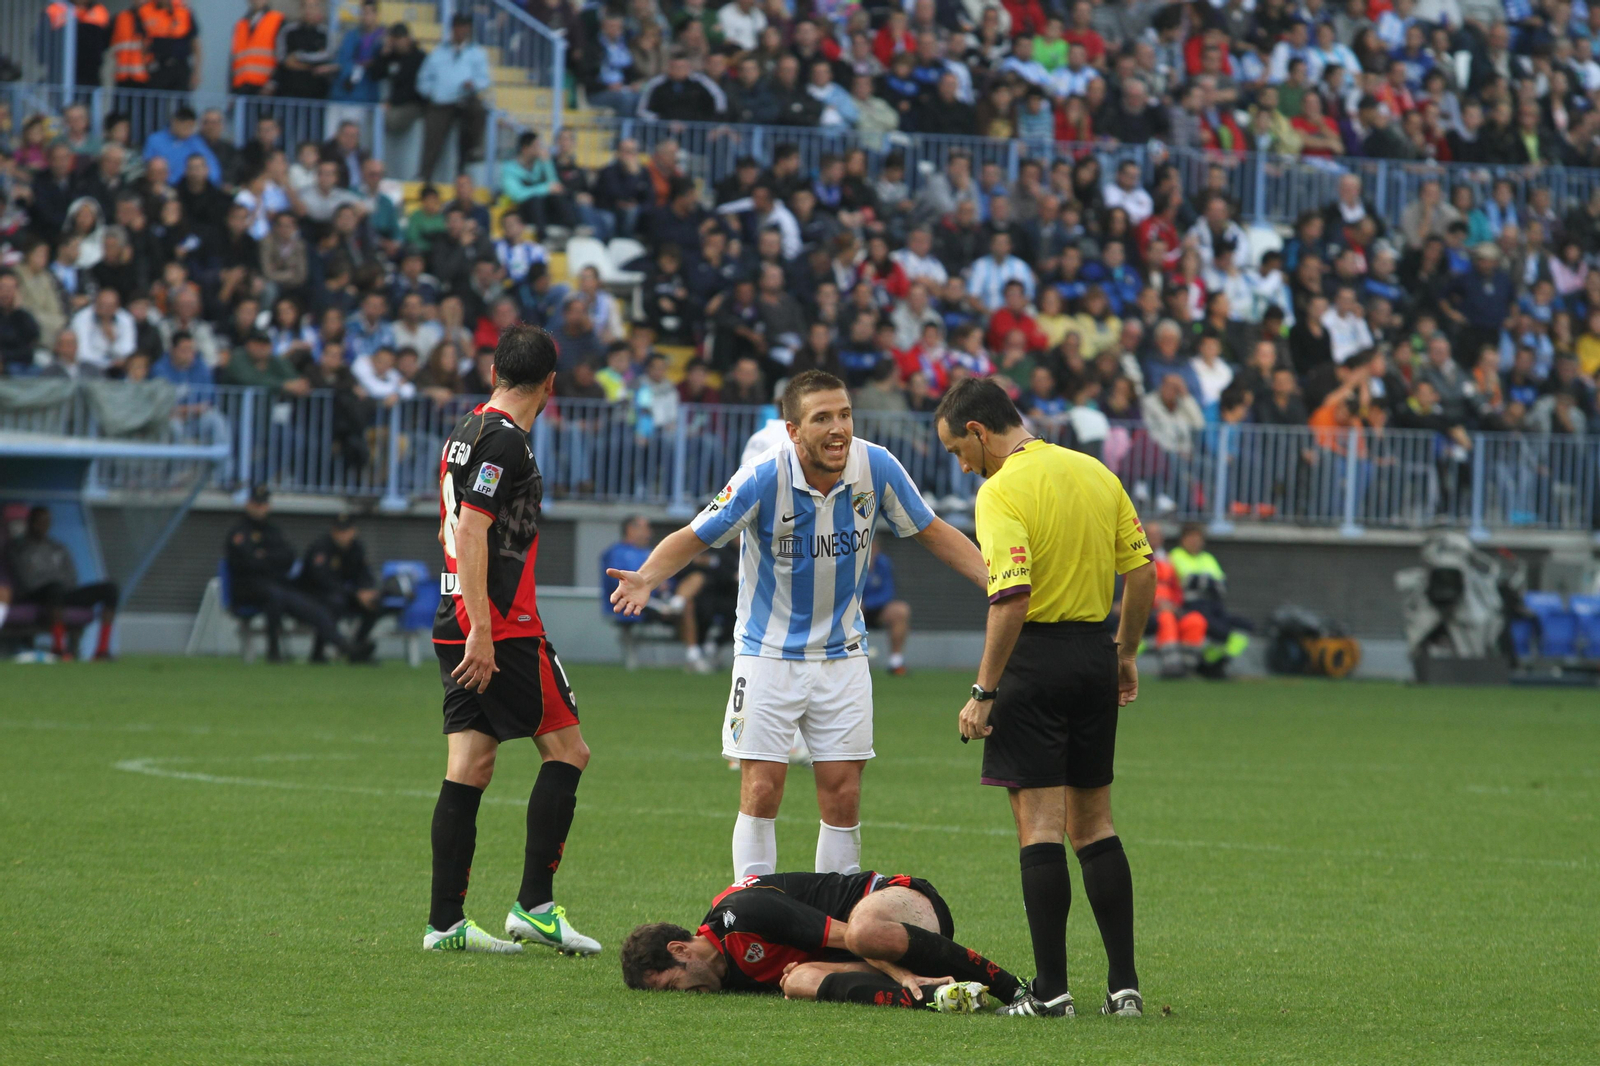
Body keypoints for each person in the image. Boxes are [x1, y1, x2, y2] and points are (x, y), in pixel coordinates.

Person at [606, 370, 987, 882]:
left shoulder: (877, 467)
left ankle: (839, 915)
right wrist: (646, 577)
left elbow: (933, 531)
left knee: (843, 790)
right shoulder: (762, 477)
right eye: (822, 418)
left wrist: (997, 580)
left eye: (845, 414)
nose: (838, 429)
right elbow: (696, 534)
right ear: (792, 430)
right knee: (762, 788)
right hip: (767, 654)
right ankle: (751, 912)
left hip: (844, 654)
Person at [936, 377, 1154, 1019]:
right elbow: (1141, 571)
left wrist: (984, 691)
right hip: (1093, 655)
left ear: (978, 431)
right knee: (1096, 827)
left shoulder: (1000, 489)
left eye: (956, 450)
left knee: (1039, 830)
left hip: (1034, 663)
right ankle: (1124, 989)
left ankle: (1053, 992)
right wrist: (1125, 652)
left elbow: (1011, 596)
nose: (960, 463)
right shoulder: (1094, 473)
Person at [427, 324, 600, 957]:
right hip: (501, 626)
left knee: (469, 765)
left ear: (496, 371)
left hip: (457, 616)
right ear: (552, 384)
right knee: (569, 750)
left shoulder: (467, 427)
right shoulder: (508, 442)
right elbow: (472, 531)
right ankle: (535, 905)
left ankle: (445, 924)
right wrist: (483, 631)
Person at [621, 870, 1025, 1012]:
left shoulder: (742, 912)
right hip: (876, 953)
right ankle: (936, 999)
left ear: (680, 950)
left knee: (864, 932)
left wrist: (902, 973)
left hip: (898, 905)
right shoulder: (727, 974)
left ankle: (1015, 990)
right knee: (796, 983)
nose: (685, 995)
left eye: (675, 985)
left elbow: (850, 937)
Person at [224, 486, 371, 664]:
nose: (260, 508)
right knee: (275, 596)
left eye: (263, 504)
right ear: (248, 504)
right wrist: (269, 560)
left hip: (275, 585)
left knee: (313, 607)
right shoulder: (239, 532)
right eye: (256, 504)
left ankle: (344, 646)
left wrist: (264, 556)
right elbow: (248, 563)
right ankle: (274, 651)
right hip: (246, 587)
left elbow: (288, 556)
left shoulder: (272, 530)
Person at [599, 515, 717, 672]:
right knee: (689, 607)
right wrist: (654, 586)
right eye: (645, 527)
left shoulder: (651, 552)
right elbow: (618, 583)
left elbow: (671, 577)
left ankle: (677, 604)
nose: (649, 532)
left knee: (697, 579)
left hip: (665, 597)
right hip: (642, 601)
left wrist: (666, 584)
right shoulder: (617, 552)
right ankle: (694, 655)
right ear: (630, 529)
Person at [4, 506, 118, 661]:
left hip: (62, 593)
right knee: (54, 588)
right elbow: (26, 580)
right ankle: (59, 648)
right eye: (39, 522)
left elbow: (71, 577)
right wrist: (52, 583)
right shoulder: (18, 548)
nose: (43, 526)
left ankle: (102, 650)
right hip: (35, 594)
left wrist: (64, 587)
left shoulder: (58, 548)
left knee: (111, 589)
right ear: (30, 523)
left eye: (47, 522)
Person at [296, 513, 386, 664]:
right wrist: (355, 593)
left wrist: (366, 591)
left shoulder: (357, 548)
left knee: (374, 604)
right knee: (333, 603)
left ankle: (357, 647)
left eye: (346, 530)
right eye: (339, 530)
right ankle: (318, 652)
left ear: (354, 531)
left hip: (346, 595)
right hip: (315, 596)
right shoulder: (321, 548)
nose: (342, 535)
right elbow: (322, 581)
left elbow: (364, 573)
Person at [417, 14, 490, 181]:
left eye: (464, 27)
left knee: (478, 111)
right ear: (453, 29)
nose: (461, 31)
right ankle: (425, 175)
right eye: (458, 27)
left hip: (465, 99)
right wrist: (432, 93)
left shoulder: (477, 53)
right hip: (442, 102)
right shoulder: (438, 53)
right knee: (433, 137)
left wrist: (474, 84)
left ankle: (473, 150)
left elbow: (484, 79)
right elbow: (423, 79)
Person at [860, 542, 912, 675]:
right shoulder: (849, 562)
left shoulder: (883, 563)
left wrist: (868, 604)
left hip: (876, 610)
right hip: (852, 610)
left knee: (900, 611)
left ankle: (896, 662)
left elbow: (887, 592)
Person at [229, 0, 283, 94]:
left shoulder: (278, 20)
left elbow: (282, 56)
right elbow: (233, 59)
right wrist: (231, 90)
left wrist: (273, 82)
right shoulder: (240, 24)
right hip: (241, 86)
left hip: (265, 88)